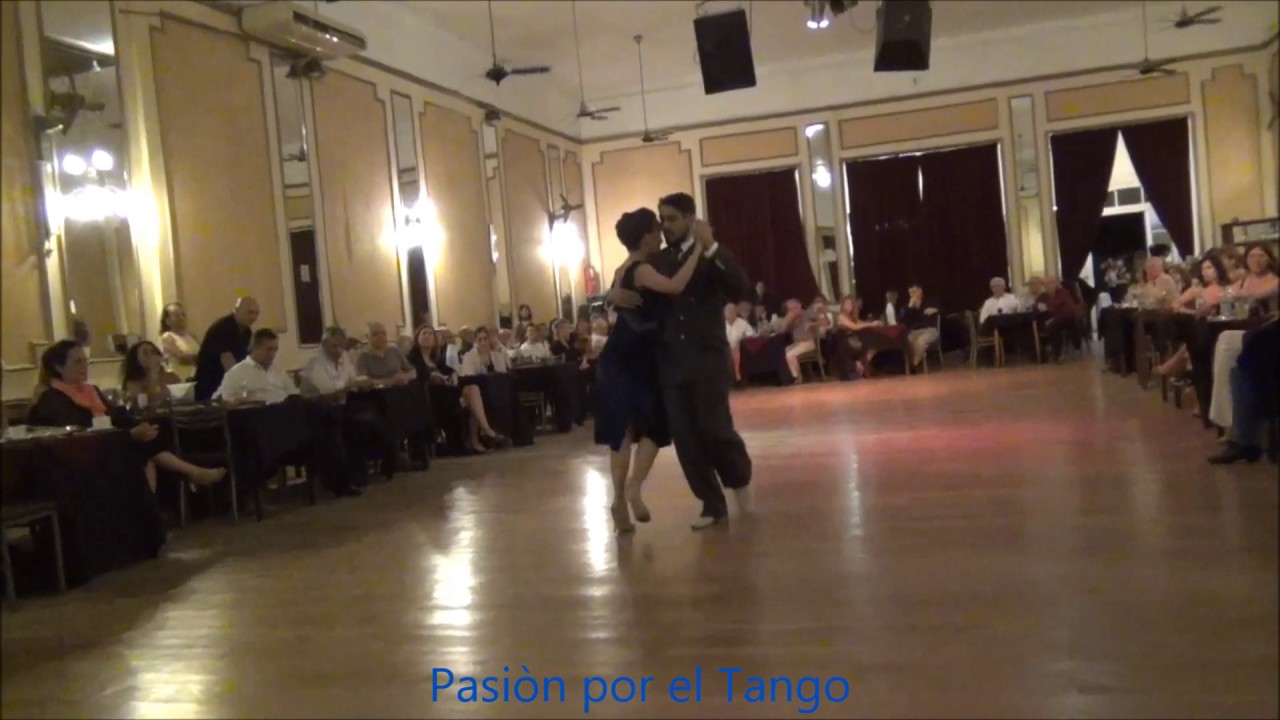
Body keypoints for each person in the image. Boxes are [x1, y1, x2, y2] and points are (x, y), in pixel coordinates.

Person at [609, 192, 754, 530]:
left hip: (707, 358)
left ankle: (739, 480)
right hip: (670, 362)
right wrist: (610, 296)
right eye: (662, 219)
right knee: (685, 438)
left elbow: (740, 286)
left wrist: (711, 247)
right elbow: (627, 277)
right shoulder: (656, 260)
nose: (666, 226)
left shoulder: (712, 253)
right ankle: (711, 504)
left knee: (715, 428)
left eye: (672, 218)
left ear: (691, 219)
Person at [594, 208, 704, 533]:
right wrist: (699, 249)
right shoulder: (641, 269)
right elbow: (674, 287)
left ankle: (621, 499)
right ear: (645, 237)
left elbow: (614, 301)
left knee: (630, 429)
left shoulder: (623, 268)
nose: (660, 235)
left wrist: (608, 297)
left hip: (627, 356)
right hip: (633, 357)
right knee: (647, 427)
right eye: (656, 230)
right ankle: (630, 490)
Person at [29, 340, 226, 493]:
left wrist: (136, 427)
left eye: (85, 361)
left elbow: (115, 414)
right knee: (142, 450)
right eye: (77, 362)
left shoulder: (90, 390)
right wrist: (129, 434)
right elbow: (78, 430)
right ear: (59, 367)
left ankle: (154, 508)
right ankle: (192, 474)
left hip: (109, 444)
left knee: (148, 441)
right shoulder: (53, 398)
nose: (84, 366)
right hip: (84, 457)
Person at [194, 296, 258, 401]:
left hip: (227, 381)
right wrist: (242, 385)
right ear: (237, 310)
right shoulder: (223, 328)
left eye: (256, 313)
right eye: (250, 312)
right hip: (211, 383)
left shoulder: (246, 331)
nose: (253, 317)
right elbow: (227, 360)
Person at [121, 341, 182, 409]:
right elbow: (146, 403)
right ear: (136, 359)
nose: (151, 355)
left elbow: (181, 396)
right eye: (145, 353)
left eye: (153, 352)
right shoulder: (132, 383)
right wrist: (153, 372)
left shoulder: (171, 376)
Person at [158, 302, 201, 380]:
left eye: (183, 315)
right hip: (180, 380)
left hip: (196, 377)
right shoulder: (168, 337)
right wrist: (199, 358)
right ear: (167, 321)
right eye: (177, 315)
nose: (181, 318)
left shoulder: (192, 336)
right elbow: (180, 358)